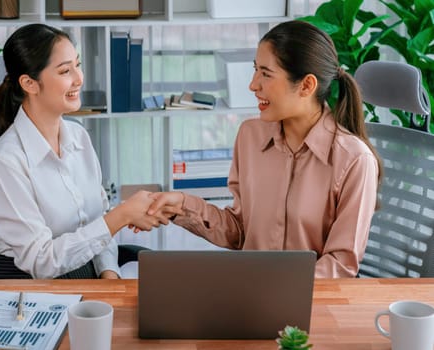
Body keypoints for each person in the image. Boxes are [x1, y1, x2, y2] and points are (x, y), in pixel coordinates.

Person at [147, 20, 382, 278]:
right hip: (250, 297)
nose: (253, 84)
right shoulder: (250, 136)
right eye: (255, 70)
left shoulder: (354, 160)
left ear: (306, 85)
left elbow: (340, 265)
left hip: (311, 304)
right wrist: (181, 205)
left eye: (266, 74)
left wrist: (277, 289)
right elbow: (239, 230)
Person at [0, 23, 164, 279]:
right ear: (30, 83)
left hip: (84, 277)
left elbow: (95, 224)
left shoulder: (79, 137)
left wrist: (108, 272)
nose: (79, 78)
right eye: (65, 70)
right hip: (26, 290)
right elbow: (42, 263)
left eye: (78, 64)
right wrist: (121, 216)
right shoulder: (5, 162)